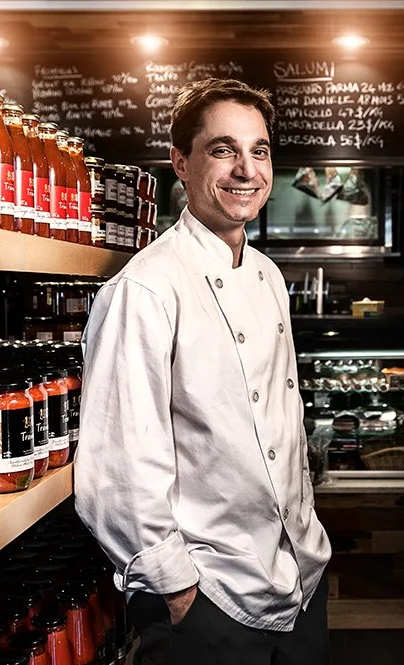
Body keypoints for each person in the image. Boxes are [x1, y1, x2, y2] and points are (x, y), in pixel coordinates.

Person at [75, 78, 331, 665]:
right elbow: (117, 470)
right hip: (210, 599)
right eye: (223, 150)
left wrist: (310, 540)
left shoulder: (267, 275)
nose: (247, 169)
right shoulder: (145, 288)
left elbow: (279, 425)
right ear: (181, 163)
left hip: (299, 577)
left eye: (259, 150)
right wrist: (179, 591)